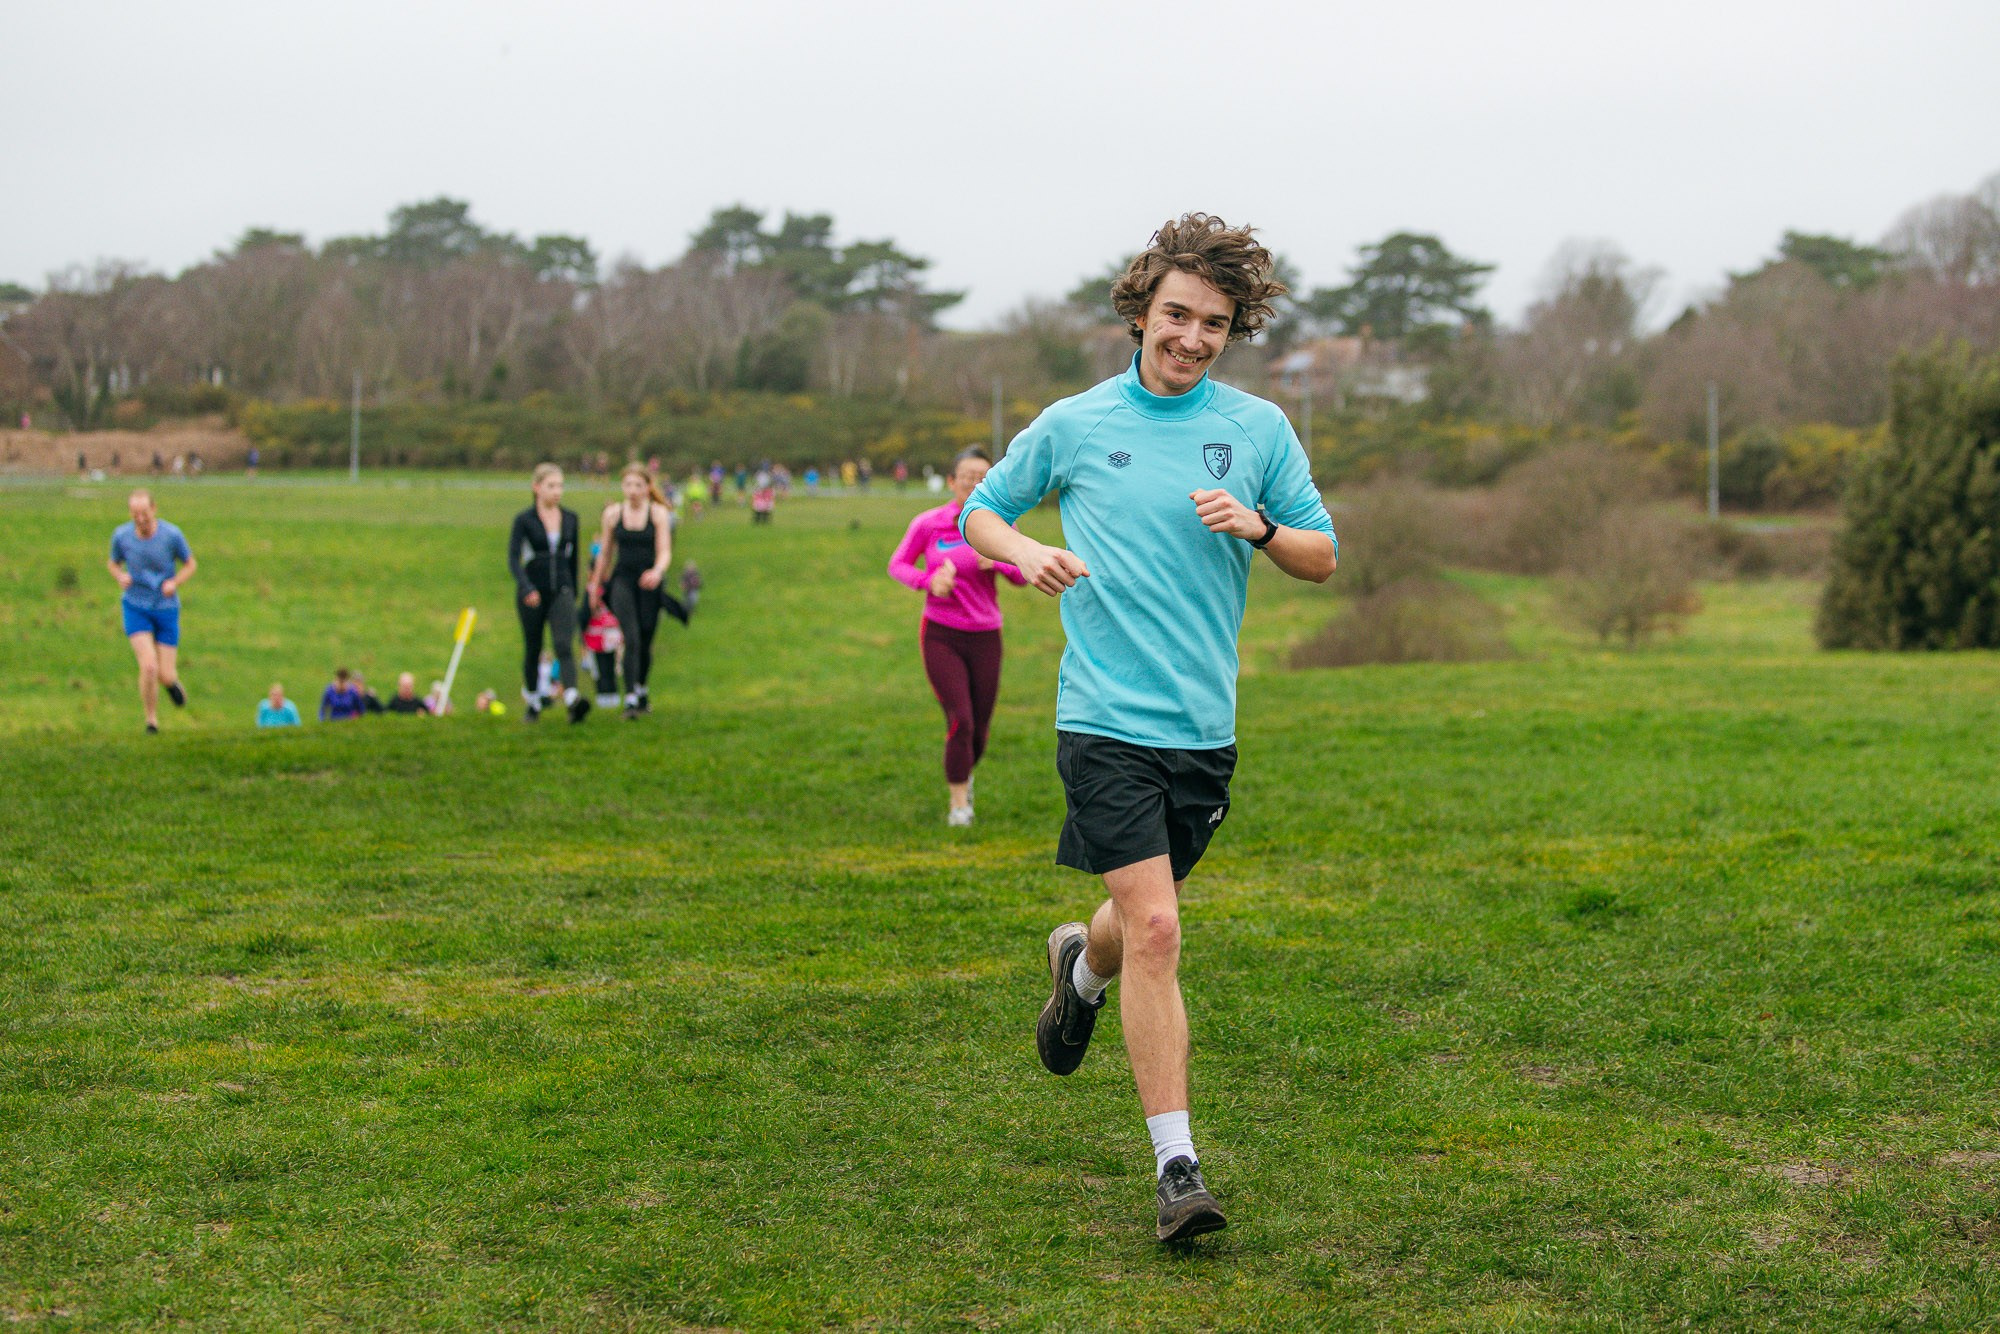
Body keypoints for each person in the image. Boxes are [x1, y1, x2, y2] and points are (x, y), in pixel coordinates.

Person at [961, 214, 1337, 1243]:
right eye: (1176, 313)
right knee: (1162, 928)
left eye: (1213, 322)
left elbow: (1320, 554)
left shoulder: (1258, 430)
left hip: (1201, 730)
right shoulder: (1075, 422)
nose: (1191, 336)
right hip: (1102, 721)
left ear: (1232, 328)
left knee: (1138, 918)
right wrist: (1023, 551)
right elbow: (978, 514)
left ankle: (1077, 973)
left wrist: (1259, 527)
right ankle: (1177, 1167)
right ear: (1140, 309)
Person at [888, 446, 1026, 826]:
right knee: (961, 720)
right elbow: (897, 564)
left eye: (981, 476)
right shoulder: (929, 523)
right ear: (952, 481)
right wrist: (928, 581)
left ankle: (964, 772)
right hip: (941, 634)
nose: (972, 482)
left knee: (980, 727)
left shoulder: (1002, 524)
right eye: (966, 476)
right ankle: (959, 804)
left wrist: (999, 560)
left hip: (986, 636)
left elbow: (1022, 575)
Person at [106, 489, 196, 734]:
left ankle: (171, 683)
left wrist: (174, 583)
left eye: (144, 513)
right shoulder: (121, 536)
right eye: (135, 514)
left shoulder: (172, 535)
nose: (141, 518)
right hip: (136, 607)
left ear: (153, 509)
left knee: (165, 675)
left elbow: (190, 564)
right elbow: (113, 563)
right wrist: (120, 576)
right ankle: (151, 721)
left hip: (166, 608)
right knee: (148, 667)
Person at [508, 463, 591, 723]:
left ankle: (572, 700)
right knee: (533, 648)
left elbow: (574, 556)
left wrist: (573, 591)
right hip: (532, 591)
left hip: (562, 590)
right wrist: (526, 588)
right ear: (536, 487)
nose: (557, 491)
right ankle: (533, 702)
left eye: (560, 486)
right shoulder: (524, 521)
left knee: (565, 644)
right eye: (551, 486)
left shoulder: (570, 518)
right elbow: (513, 559)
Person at [589, 462, 672, 720]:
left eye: (638, 485)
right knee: (631, 637)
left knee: (645, 640)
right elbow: (605, 553)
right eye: (628, 485)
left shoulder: (658, 514)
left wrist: (657, 572)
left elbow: (665, 551)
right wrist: (595, 585)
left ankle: (642, 689)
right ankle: (631, 699)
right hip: (622, 580)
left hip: (649, 582)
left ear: (648, 487)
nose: (633, 490)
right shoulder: (613, 515)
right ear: (622, 486)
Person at [582, 601, 624, 709]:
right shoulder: (590, 595)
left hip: (610, 642)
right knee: (598, 671)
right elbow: (583, 619)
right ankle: (602, 695)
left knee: (610, 669)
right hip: (594, 643)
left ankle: (613, 694)